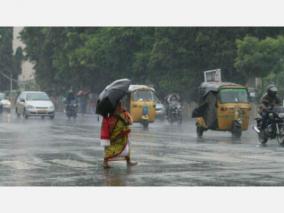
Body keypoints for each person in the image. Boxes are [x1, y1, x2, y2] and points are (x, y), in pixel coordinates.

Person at [102, 101, 137, 169]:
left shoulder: (123, 112)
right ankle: (105, 162)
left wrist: (125, 119)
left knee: (127, 147)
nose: (120, 106)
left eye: (120, 105)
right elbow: (110, 125)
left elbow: (130, 121)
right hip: (115, 134)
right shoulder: (111, 115)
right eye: (118, 105)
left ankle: (128, 161)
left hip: (123, 133)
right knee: (110, 148)